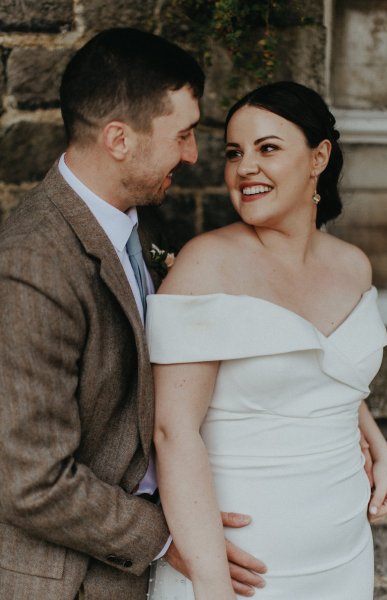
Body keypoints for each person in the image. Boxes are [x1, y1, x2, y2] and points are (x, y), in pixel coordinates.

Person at [0, 28, 267, 600]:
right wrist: (174, 540)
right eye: (184, 135)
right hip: (70, 580)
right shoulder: (29, 267)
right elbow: (30, 481)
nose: (194, 155)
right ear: (119, 139)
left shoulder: (138, 222)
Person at [146, 81, 387, 599]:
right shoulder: (206, 265)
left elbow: (329, 371)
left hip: (343, 556)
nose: (245, 168)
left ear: (318, 158)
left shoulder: (352, 265)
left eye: (268, 149)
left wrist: (378, 444)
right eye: (235, 153)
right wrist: (210, 577)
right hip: (245, 568)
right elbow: (173, 431)